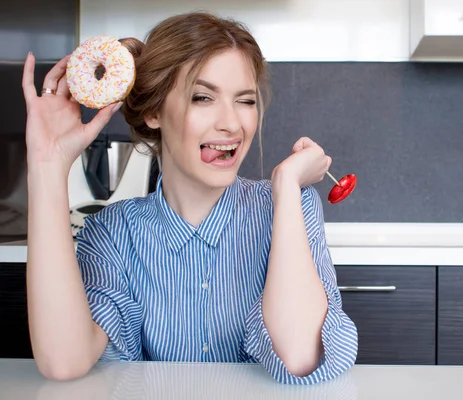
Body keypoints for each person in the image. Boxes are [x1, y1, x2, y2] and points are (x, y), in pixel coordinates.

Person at [21, 11, 358, 385]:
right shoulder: (113, 233)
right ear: (153, 112)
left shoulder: (292, 206)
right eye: (203, 97)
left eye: (245, 101)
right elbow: (64, 362)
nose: (232, 123)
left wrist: (286, 184)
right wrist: (48, 165)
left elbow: (299, 356)